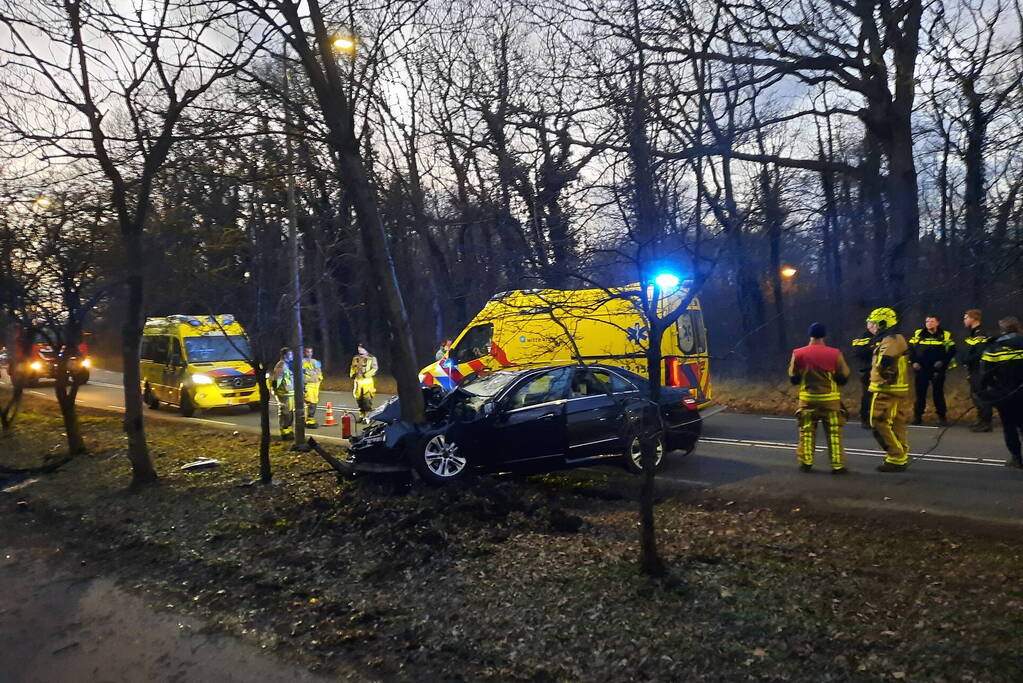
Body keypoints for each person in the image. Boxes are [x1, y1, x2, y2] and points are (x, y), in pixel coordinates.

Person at [788, 323, 851, 473]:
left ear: (810, 335)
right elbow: (844, 375)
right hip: (831, 403)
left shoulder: (798, 353)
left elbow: (793, 376)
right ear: (824, 335)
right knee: (834, 435)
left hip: (808, 402)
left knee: (807, 433)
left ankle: (806, 462)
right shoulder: (835, 353)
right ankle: (837, 465)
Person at [866, 307, 912, 472]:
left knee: (878, 422)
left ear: (883, 324)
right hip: (895, 389)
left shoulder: (891, 339)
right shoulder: (892, 339)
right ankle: (901, 455)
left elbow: (885, 361)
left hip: (886, 390)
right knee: (896, 422)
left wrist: (885, 375)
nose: (870, 327)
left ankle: (896, 456)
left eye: (873, 324)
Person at [978, 317, 1023, 469]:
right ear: (1018, 328)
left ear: (1002, 330)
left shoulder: (993, 348)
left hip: (1004, 395)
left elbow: (985, 375)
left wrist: (987, 391)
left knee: (1009, 426)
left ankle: (1016, 458)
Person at [909, 315, 956, 425]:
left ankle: (942, 417)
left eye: (932, 321)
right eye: (927, 321)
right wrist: (914, 362)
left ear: (937, 323)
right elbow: (911, 350)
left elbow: (951, 351)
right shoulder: (918, 334)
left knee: (938, 394)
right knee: (920, 394)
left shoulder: (945, 335)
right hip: (921, 369)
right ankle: (918, 417)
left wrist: (943, 362)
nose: (929, 323)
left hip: (937, 369)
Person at [962, 309, 993, 432]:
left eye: (965, 318)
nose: (964, 320)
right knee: (976, 396)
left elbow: (979, 353)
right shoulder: (973, 333)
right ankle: (981, 421)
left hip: (979, 370)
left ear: (973, 319)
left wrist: (966, 360)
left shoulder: (980, 333)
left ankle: (986, 423)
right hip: (974, 370)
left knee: (982, 397)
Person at [850, 324, 880, 428]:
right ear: (869, 327)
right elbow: (858, 352)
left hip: (879, 371)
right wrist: (874, 350)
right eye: (873, 326)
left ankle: (877, 418)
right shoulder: (863, 338)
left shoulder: (881, 337)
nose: (875, 328)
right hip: (867, 370)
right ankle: (865, 419)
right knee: (868, 396)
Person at [271, 347, 295, 441]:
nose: (292, 356)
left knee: (289, 413)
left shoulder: (286, 365)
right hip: (284, 394)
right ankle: (285, 433)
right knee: (285, 414)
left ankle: (289, 431)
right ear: (285, 355)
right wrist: (278, 392)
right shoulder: (281, 365)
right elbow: (277, 380)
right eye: (290, 354)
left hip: (289, 394)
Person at [350, 344, 378, 422]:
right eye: (359, 349)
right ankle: (362, 415)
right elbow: (352, 367)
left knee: (367, 401)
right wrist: (352, 374)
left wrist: (366, 375)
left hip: (367, 383)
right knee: (359, 400)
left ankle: (368, 416)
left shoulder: (372, 358)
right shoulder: (356, 358)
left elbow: (375, 368)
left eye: (361, 348)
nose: (360, 350)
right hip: (358, 382)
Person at [302, 346, 323, 429]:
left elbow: (319, 371)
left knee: (314, 402)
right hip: (308, 384)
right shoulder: (302, 362)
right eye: (308, 352)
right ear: (304, 353)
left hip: (315, 385)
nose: (309, 353)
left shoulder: (316, 361)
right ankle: (308, 420)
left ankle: (309, 418)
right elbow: (301, 373)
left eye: (311, 352)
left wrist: (319, 378)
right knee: (309, 402)